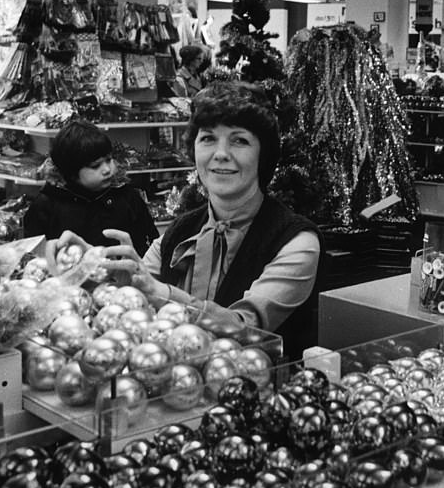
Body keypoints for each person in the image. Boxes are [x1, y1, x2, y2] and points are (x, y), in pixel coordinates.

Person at [48, 83, 322, 359]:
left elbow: (246, 328)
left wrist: (162, 293)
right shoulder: (179, 231)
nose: (221, 153)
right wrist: (93, 271)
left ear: (264, 155)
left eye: (240, 140)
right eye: (208, 139)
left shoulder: (297, 242)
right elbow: (137, 292)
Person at [24, 119, 158, 257]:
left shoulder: (127, 197)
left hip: (125, 274)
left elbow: (150, 247)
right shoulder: (47, 205)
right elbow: (34, 256)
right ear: (72, 172)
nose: (107, 169)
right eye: (95, 166)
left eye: (109, 159)